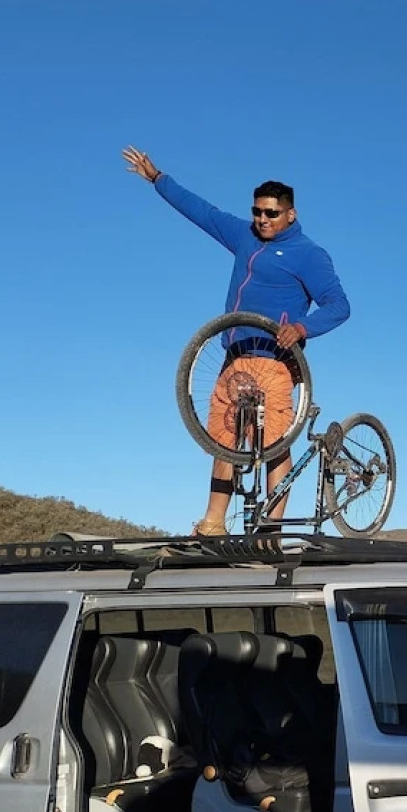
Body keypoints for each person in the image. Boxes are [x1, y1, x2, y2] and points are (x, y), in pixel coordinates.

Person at [123, 146, 351, 535]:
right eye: (257, 212)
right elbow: (202, 212)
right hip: (235, 355)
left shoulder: (309, 255)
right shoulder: (245, 237)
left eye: (272, 213)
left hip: (275, 358)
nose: (262, 219)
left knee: (274, 441)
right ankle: (213, 523)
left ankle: (269, 533)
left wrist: (301, 328)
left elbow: (339, 305)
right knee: (223, 437)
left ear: (290, 214)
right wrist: (159, 179)